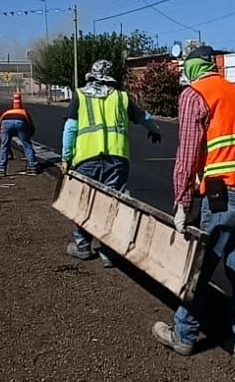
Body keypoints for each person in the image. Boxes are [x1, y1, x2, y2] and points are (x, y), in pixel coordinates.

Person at [151, 46, 235, 368]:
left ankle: (185, 335)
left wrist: (182, 202)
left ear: (191, 68)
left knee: (199, 268)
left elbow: (187, 154)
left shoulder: (194, 95)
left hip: (223, 194)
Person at [61, 59, 162, 266]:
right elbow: (144, 117)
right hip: (117, 160)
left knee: (85, 204)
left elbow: (70, 129)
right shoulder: (121, 97)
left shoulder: (80, 95)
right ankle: (108, 252)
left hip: (86, 160)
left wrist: (66, 157)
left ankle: (82, 246)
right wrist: (154, 129)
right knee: (112, 205)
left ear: (92, 75)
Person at [0, 93, 38, 176]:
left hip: (6, 122)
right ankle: (33, 167)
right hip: (20, 122)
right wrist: (28, 136)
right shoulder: (23, 112)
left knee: (4, 146)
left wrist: (2, 139)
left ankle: (1, 170)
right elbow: (30, 125)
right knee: (27, 145)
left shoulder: (6, 112)